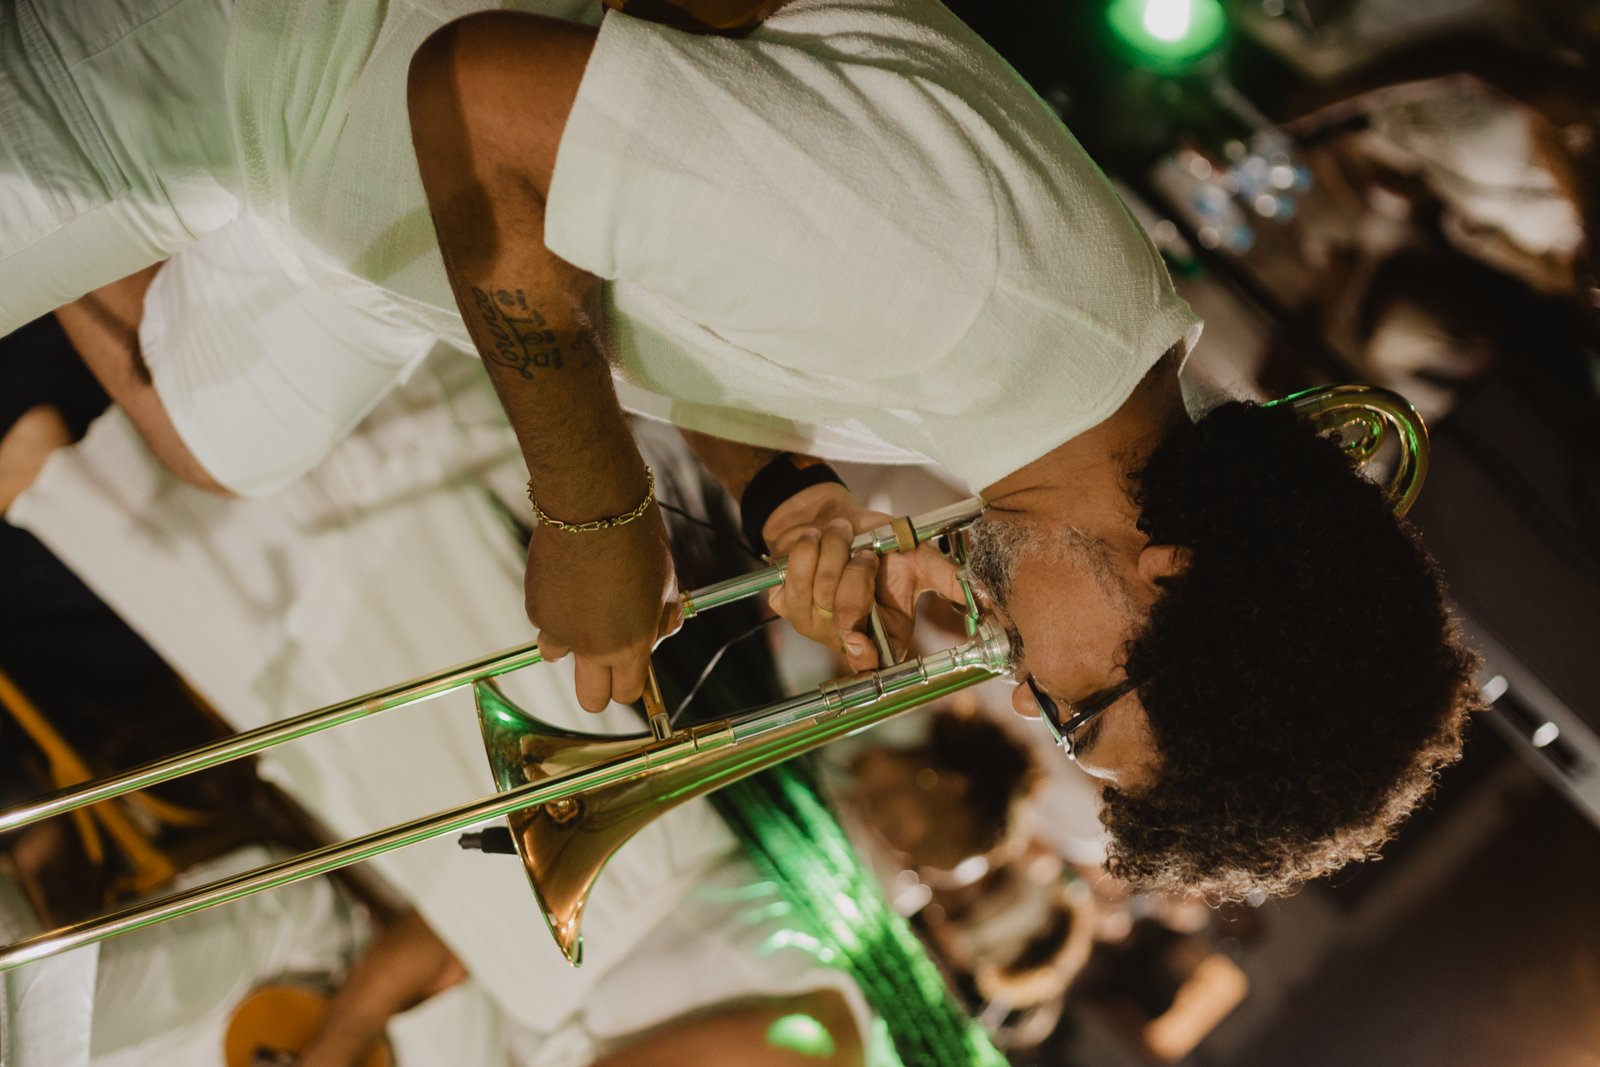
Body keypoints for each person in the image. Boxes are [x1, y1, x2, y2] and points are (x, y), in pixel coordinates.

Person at [0, 0, 1479, 899]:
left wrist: (782, 490)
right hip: (270, 72)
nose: (1023, 693)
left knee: (227, 437)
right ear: (1174, 578)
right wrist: (593, 510)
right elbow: (478, 101)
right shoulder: (968, 301)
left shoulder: (1060, 387)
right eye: (1078, 711)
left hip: (347, 186)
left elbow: (696, 291)